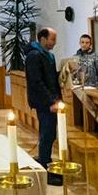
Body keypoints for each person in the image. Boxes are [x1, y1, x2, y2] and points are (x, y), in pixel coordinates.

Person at [25, 27, 62, 184]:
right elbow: (37, 82)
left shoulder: (48, 55)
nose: (54, 43)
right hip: (43, 102)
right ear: (42, 39)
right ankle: (44, 169)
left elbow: (52, 80)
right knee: (47, 134)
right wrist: (51, 101)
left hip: (51, 101)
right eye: (52, 39)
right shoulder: (34, 56)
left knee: (49, 134)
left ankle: (44, 161)